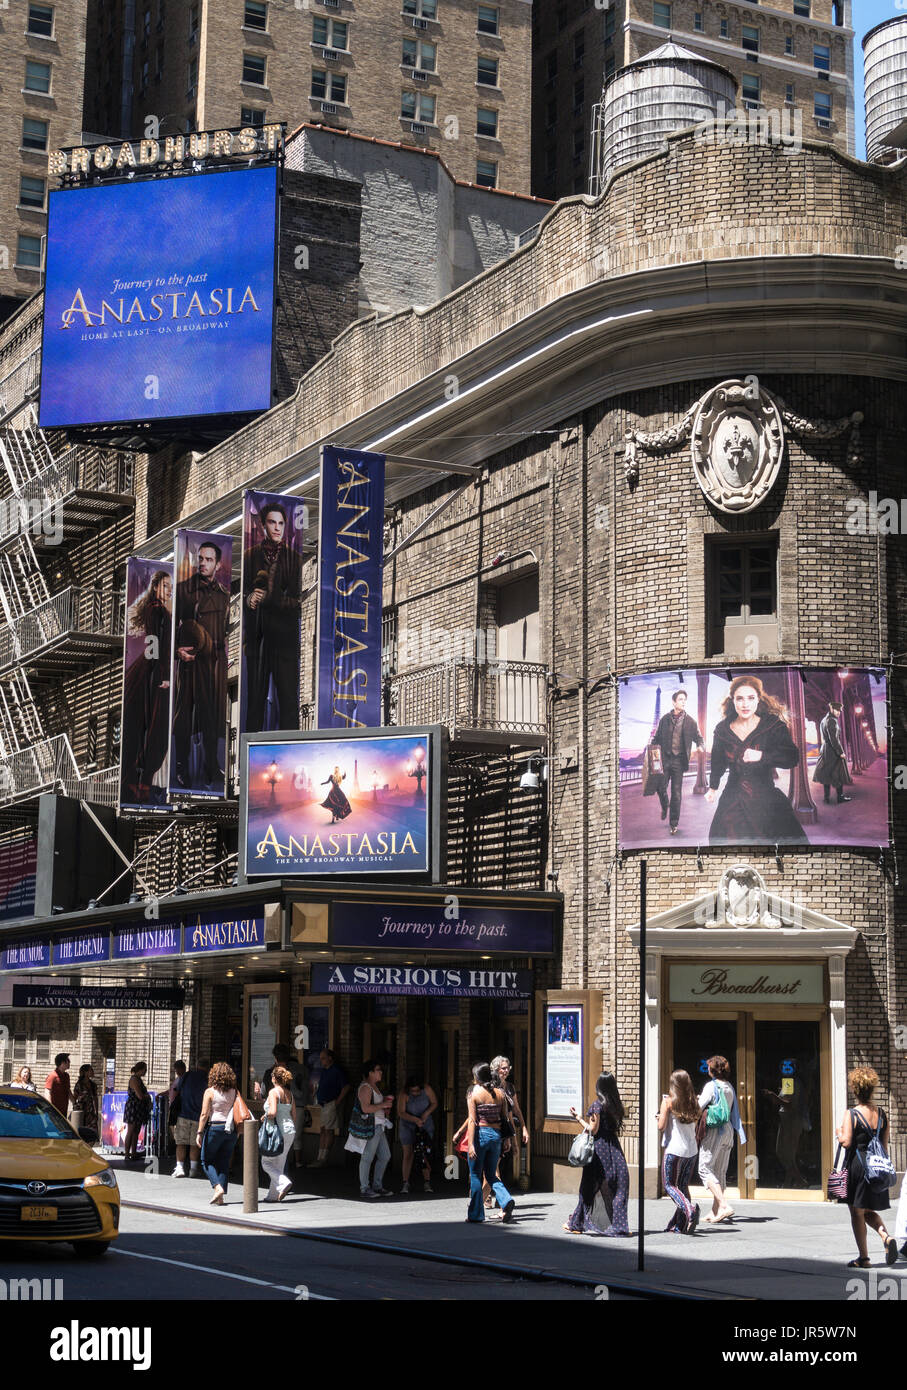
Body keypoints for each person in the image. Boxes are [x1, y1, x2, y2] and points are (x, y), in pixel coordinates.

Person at [705, 675, 808, 846]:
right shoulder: (722, 729)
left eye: (751, 698)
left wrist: (762, 756)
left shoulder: (773, 725)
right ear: (733, 701)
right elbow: (717, 762)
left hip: (766, 798)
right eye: (740, 699)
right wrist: (713, 787)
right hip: (732, 799)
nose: (745, 704)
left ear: (758, 699)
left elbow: (792, 757)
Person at [171, 540, 230, 790]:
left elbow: (225, 631)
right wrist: (177, 651)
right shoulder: (184, 590)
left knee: (211, 715)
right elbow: (170, 628)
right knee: (184, 715)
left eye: (208, 559)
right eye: (200, 559)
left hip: (214, 662)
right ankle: (182, 766)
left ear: (218, 564)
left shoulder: (224, 595)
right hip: (191, 662)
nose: (203, 563)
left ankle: (211, 766)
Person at [243, 501, 303, 732]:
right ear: (263, 526)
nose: (277, 528)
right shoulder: (250, 556)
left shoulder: (294, 559)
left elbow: (296, 600)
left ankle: (291, 746)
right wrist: (250, 600)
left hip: (284, 639)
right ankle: (249, 751)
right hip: (257, 638)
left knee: (288, 698)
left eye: (281, 523)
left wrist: (270, 598)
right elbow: (245, 593)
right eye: (272, 523)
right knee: (254, 700)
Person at [834, 1066, 899, 1267]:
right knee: (869, 1210)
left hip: (858, 1166)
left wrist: (839, 1132)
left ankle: (864, 1258)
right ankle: (886, 1237)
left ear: (855, 1089)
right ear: (872, 1089)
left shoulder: (852, 1113)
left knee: (857, 1212)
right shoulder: (882, 1113)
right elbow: (884, 1145)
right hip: (876, 1167)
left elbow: (846, 1142)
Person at [121, 569, 172, 804]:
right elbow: (154, 642)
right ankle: (140, 783)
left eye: (170, 586)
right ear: (155, 587)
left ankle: (142, 782)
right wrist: (162, 674)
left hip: (155, 670)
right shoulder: (156, 610)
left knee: (153, 728)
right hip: (153, 673)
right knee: (153, 727)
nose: (169, 590)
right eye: (165, 586)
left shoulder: (160, 609)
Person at [565, 1072, 631, 1237]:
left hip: (599, 1149)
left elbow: (593, 1130)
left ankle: (576, 1223)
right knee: (619, 1185)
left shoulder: (597, 1105)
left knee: (589, 1186)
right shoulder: (616, 1105)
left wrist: (578, 1118)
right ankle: (620, 1225)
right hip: (614, 1148)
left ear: (599, 1086)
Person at [698, 1055, 746, 1223]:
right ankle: (715, 1211)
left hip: (714, 1131)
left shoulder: (711, 1086)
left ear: (712, 1070)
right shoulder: (729, 1086)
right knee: (720, 1171)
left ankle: (724, 1205)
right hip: (728, 1130)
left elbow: (699, 1107)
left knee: (704, 1168)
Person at [465, 1062, 515, 1224]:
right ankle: (506, 1200)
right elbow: (505, 1119)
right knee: (492, 1174)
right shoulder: (500, 1093)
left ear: (476, 1077)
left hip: (481, 1135)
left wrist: (471, 1144)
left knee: (475, 1175)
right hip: (496, 1136)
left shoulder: (474, 1093)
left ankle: (476, 1214)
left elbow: (473, 1120)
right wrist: (507, 1140)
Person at [652, 689, 704, 835]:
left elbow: (699, 738)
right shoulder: (664, 720)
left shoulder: (690, 722)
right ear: (674, 702)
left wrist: (700, 746)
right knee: (660, 787)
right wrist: (652, 753)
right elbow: (656, 739)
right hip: (665, 759)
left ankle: (673, 824)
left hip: (679, 762)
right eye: (680, 699)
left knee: (676, 793)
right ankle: (665, 805)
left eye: (684, 700)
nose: (683, 702)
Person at [657, 1069, 701, 1234]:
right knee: (682, 1185)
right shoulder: (694, 1102)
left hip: (675, 1149)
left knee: (669, 1185)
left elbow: (661, 1126)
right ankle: (680, 1225)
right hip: (691, 1150)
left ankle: (689, 1210)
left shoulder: (668, 1102)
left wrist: (659, 1118)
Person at [346, 1059, 394, 1198]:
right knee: (367, 1157)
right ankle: (365, 1187)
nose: (381, 1072)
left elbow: (374, 1107)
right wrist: (384, 1105)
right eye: (378, 1069)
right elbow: (365, 1108)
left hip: (379, 1125)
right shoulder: (366, 1087)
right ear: (370, 1072)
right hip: (371, 1126)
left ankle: (377, 1186)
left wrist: (384, 1106)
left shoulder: (374, 1086)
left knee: (385, 1156)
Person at [197, 1063, 242, 1205]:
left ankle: (217, 1188)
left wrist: (199, 1132)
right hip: (231, 1130)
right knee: (224, 1162)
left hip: (215, 1128)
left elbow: (204, 1114)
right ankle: (221, 1197)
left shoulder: (210, 1092)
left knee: (206, 1160)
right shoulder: (235, 1091)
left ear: (213, 1075)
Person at [762, 1059, 811, 1188]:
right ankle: (789, 1182)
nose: (786, 1068)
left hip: (791, 1121)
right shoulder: (789, 1082)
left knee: (783, 1152)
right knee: (788, 1153)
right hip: (787, 1120)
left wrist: (773, 1096)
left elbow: (788, 1104)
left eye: (789, 1066)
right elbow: (788, 1099)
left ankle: (799, 1180)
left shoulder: (792, 1082)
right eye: (784, 1066)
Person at [490, 1055, 529, 1193]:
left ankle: (489, 1195)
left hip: (506, 1131)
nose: (506, 1071)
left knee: (496, 1165)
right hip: (493, 1129)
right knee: (493, 1165)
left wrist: (524, 1128)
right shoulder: (490, 1086)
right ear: (496, 1069)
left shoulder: (510, 1087)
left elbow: (515, 1110)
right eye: (503, 1068)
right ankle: (496, 1197)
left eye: (508, 1068)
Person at [260, 1064, 297, 1203]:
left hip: (278, 1131)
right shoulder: (290, 1094)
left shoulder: (273, 1092)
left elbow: (273, 1112)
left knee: (266, 1163)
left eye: (271, 1076)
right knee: (279, 1164)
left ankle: (283, 1182)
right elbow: (294, 1115)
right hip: (290, 1131)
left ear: (274, 1078)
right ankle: (272, 1196)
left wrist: (265, 1116)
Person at [398, 1075, 438, 1194]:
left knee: (424, 1152)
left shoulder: (427, 1089)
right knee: (408, 1152)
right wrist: (415, 1119)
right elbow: (401, 1112)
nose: (415, 1093)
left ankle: (427, 1182)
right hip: (408, 1124)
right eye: (412, 1091)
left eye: (417, 1090)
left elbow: (434, 1102)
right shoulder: (404, 1094)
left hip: (425, 1123)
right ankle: (405, 1182)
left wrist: (426, 1113)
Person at [311, 1049, 350, 1168]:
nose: (321, 1060)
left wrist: (337, 1102)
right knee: (323, 1129)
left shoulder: (337, 1070)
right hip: (323, 1104)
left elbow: (346, 1087)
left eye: (323, 1058)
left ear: (330, 1058)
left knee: (328, 1130)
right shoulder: (324, 1071)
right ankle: (319, 1157)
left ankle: (324, 1158)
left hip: (330, 1103)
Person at [812, 700, 853, 806]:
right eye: (837, 710)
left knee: (827, 773)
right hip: (832, 751)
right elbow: (834, 739)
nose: (839, 712)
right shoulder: (832, 721)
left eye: (840, 710)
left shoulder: (823, 720)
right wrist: (840, 752)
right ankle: (840, 797)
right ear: (832, 709)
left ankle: (826, 798)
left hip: (825, 749)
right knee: (838, 773)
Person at [173, 1059, 208, 1178]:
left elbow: (177, 1089)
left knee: (181, 1143)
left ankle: (180, 1167)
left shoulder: (187, 1075)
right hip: (198, 1116)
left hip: (183, 1113)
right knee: (195, 1143)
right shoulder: (208, 1079)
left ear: (197, 1065)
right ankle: (193, 1169)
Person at [123, 1062, 152, 1162]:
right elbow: (140, 1095)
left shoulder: (139, 1079)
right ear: (141, 1069)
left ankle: (134, 1153)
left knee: (136, 1131)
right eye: (145, 1069)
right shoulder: (134, 1079)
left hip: (139, 1107)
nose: (146, 1071)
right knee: (131, 1130)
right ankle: (127, 1154)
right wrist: (147, 1097)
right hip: (133, 1107)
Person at [72, 1064, 99, 1143]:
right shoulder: (79, 1085)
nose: (93, 1072)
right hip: (81, 1112)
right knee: (82, 1132)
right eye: (91, 1070)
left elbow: (95, 1098)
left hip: (90, 1112)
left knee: (92, 1132)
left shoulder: (93, 1085)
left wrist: (96, 1111)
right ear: (86, 1072)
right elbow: (74, 1097)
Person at [43, 1053, 71, 1117]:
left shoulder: (66, 1076)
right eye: (68, 1061)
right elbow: (47, 1092)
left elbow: (68, 1091)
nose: (70, 1063)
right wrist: (50, 1108)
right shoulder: (52, 1076)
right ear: (62, 1063)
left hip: (64, 1109)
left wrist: (74, 1102)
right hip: (54, 1111)